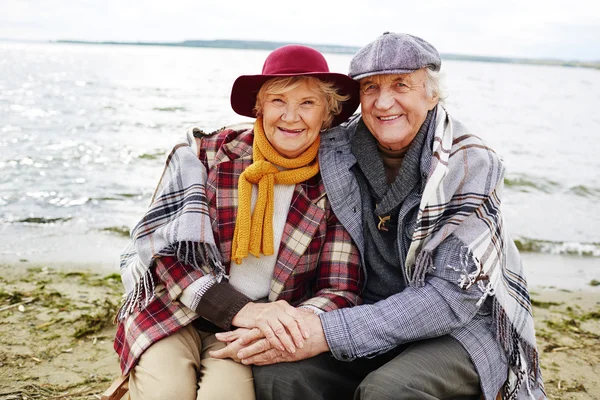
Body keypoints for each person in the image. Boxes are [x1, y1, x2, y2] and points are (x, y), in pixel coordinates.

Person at [214, 33, 546, 400]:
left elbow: (452, 298)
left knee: (388, 390)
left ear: (431, 93)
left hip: (459, 327)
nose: (384, 102)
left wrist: (325, 332)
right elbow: (280, 134)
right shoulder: (338, 146)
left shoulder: (469, 163)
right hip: (363, 309)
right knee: (279, 376)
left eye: (401, 84)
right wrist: (204, 149)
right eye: (371, 87)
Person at [113, 44, 363, 400]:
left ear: (328, 113)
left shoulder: (337, 183)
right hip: (173, 309)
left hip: (251, 331)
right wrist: (242, 310)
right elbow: (163, 251)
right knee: (166, 392)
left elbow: (340, 287)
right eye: (278, 101)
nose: (291, 116)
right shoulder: (206, 154)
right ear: (258, 108)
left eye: (307, 103)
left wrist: (287, 325)